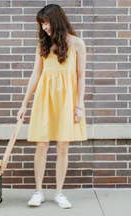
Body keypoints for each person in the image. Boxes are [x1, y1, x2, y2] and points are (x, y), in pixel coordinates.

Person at [17, 4, 88, 209]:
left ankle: (59, 193)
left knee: (63, 146)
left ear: (56, 20)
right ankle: (38, 191)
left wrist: (79, 104)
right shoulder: (43, 45)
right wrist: (24, 104)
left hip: (67, 100)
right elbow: (35, 75)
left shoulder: (77, 44)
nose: (44, 27)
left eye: (46, 23)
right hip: (44, 99)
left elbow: (81, 76)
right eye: (41, 24)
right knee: (41, 144)